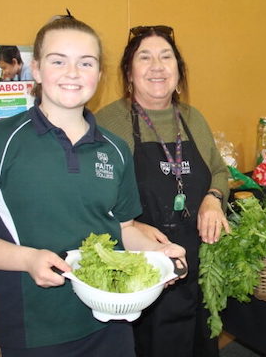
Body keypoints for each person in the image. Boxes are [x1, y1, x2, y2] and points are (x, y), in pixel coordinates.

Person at [0, 15, 186, 357]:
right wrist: (27, 259)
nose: (73, 72)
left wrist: (157, 257)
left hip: (112, 319)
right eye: (58, 60)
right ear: (35, 69)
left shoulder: (115, 148)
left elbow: (121, 229)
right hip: (34, 327)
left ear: (99, 74)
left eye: (86, 62)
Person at [96, 25, 229, 357]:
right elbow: (91, 199)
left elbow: (218, 170)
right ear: (129, 72)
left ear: (179, 72)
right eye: (145, 57)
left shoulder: (192, 118)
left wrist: (214, 198)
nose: (157, 66)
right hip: (143, 271)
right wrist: (130, 225)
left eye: (166, 57)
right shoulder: (109, 123)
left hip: (197, 265)